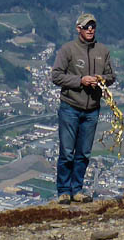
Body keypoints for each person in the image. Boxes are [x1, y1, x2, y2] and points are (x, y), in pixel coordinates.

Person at [50, 12, 116, 203]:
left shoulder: (102, 51)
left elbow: (111, 76)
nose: (90, 29)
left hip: (92, 109)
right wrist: (80, 80)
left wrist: (102, 79)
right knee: (67, 152)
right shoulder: (68, 50)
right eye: (87, 26)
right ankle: (63, 191)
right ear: (78, 28)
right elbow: (56, 76)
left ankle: (76, 190)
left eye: (93, 26)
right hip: (70, 107)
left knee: (84, 153)